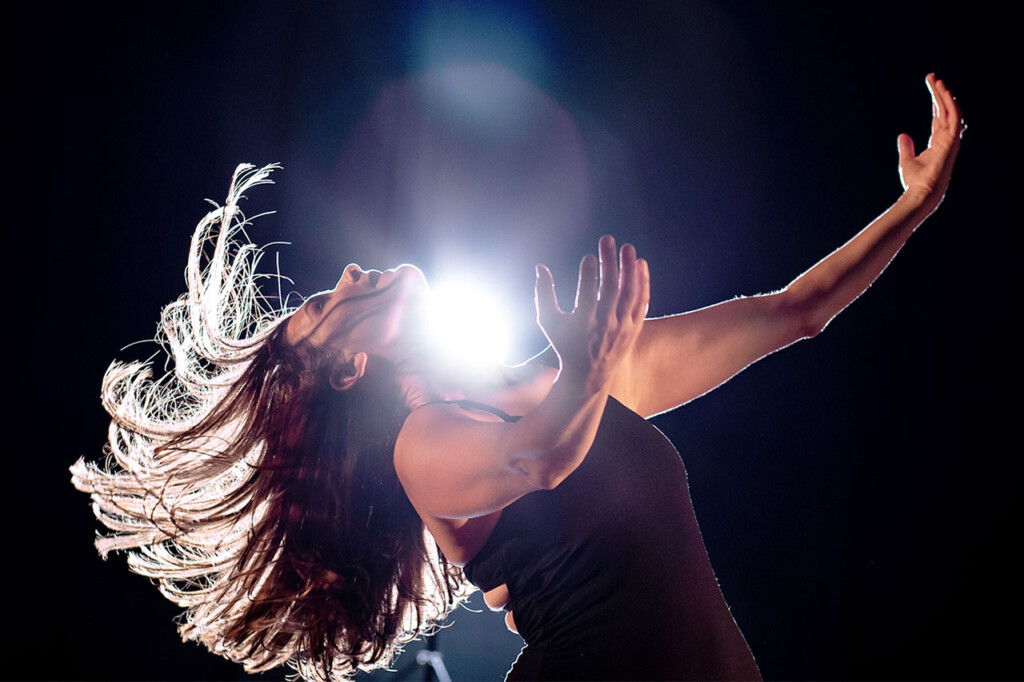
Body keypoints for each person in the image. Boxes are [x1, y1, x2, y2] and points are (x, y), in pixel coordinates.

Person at [72, 74, 963, 681]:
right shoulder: (424, 449)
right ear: (346, 365)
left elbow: (790, 313)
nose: (343, 277)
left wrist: (913, 208)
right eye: (324, 304)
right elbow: (539, 460)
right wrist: (585, 367)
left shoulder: (557, 382)